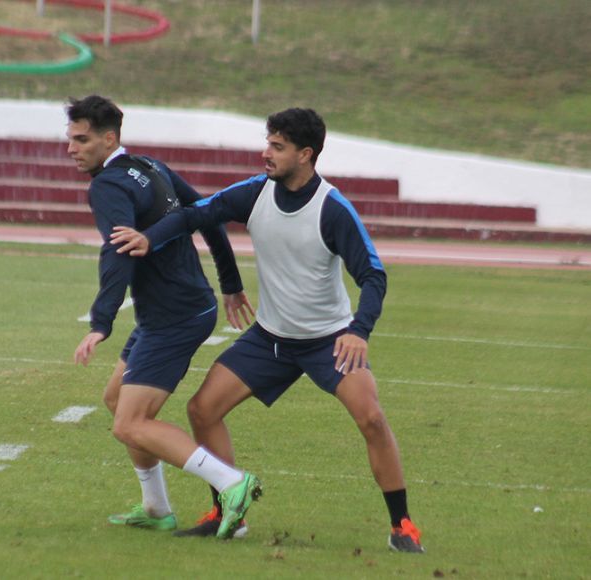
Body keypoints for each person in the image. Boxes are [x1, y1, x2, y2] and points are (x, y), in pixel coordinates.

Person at [110, 107, 426, 553]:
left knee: (371, 418)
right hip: (270, 339)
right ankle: (226, 513)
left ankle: (403, 526)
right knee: (202, 409)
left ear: (306, 154)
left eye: (277, 147)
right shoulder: (254, 193)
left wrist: (359, 329)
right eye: (267, 143)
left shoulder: (332, 209)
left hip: (328, 341)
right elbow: (195, 215)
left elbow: (373, 275)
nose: (266, 153)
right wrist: (149, 238)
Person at [66, 95, 261, 539]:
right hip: (181, 306)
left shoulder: (107, 186)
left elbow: (118, 250)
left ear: (109, 138)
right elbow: (204, 215)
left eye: (82, 139)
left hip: (174, 314)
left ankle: (233, 483)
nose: (72, 148)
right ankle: (156, 509)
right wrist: (229, 282)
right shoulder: (149, 166)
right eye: (70, 139)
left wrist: (100, 323)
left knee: (130, 422)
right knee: (117, 399)